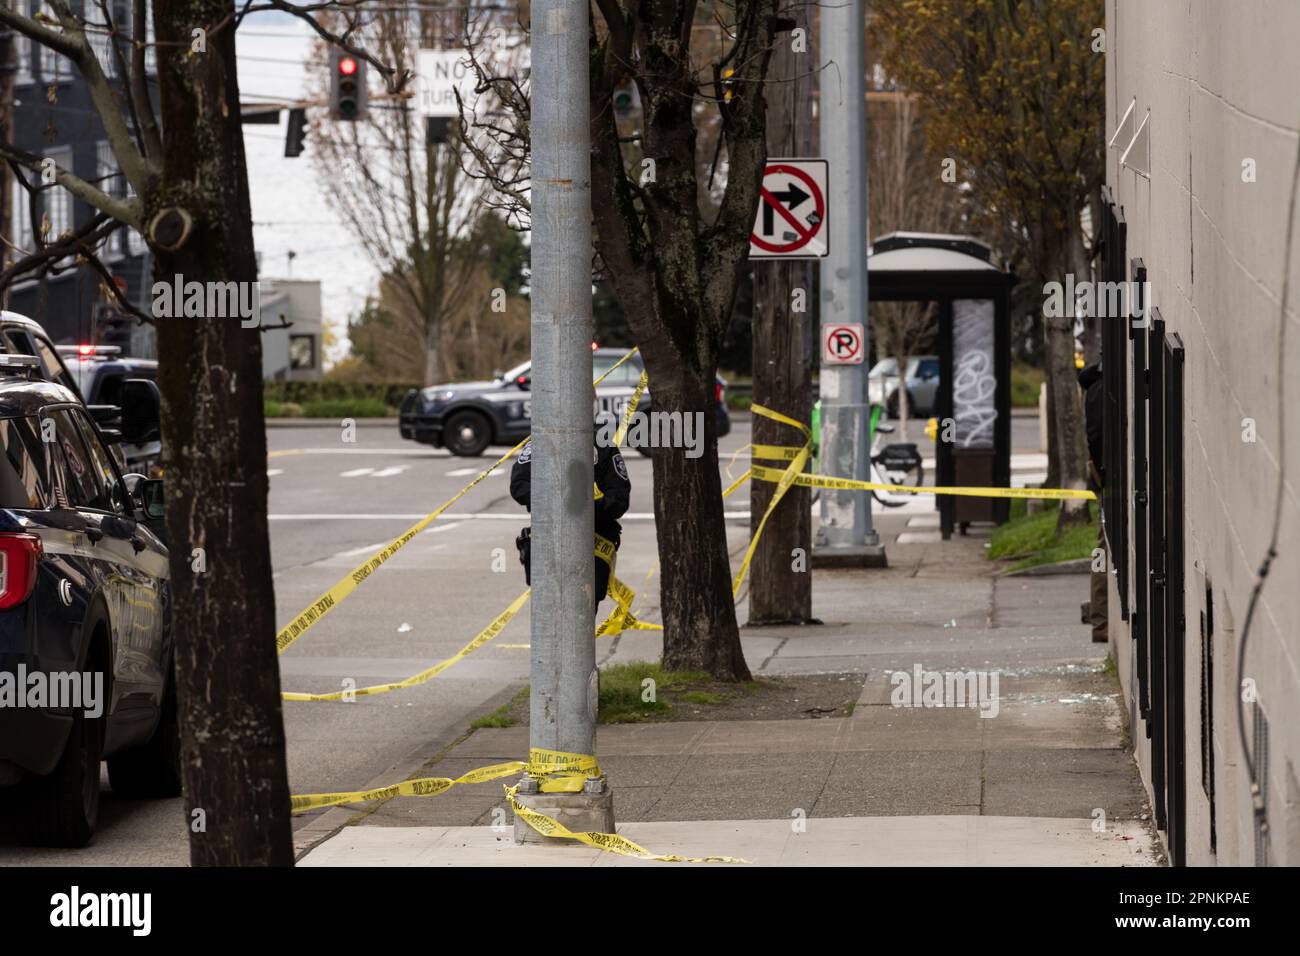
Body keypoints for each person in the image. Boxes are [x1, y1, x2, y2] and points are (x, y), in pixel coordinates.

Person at [510, 389, 631, 613]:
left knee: (582, 621)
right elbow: (519, 486)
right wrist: (556, 504)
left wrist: (584, 507)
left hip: (593, 549)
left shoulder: (602, 446)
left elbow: (619, 499)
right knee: (548, 621)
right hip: (550, 543)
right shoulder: (540, 443)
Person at [1078, 361, 1107, 643]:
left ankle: (1101, 618)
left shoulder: (1095, 384)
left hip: (1099, 471)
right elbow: (1097, 435)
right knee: (1106, 545)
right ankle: (1101, 620)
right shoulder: (1101, 386)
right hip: (1104, 475)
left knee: (1105, 547)